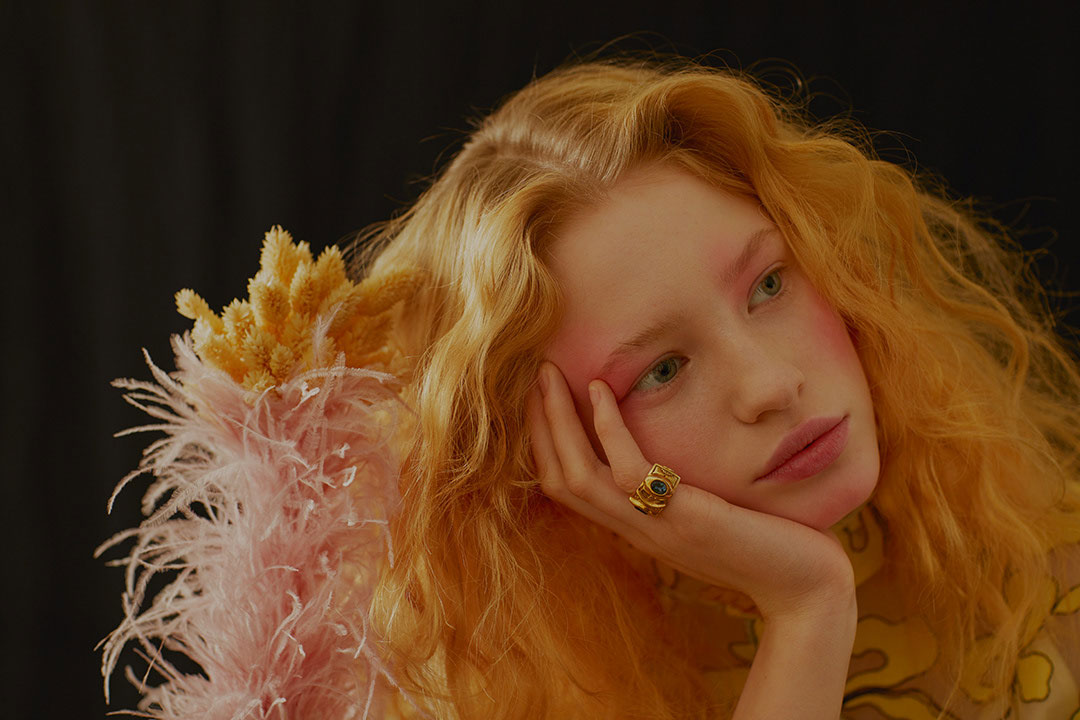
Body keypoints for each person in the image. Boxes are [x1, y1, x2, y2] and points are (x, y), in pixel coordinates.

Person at [103, 56, 1080, 719]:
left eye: (769, 285)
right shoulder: (483, 684)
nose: (770, 385)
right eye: (661, 371)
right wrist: (807, 611)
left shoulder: (1036, 554)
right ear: (544, 450)